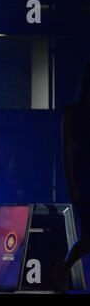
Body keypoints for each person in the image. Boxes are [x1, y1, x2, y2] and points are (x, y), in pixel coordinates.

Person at [57, 62, 90, 292]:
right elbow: (67, 149)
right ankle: (64, 267)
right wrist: (72, 183)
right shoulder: (73, 112)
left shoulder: (73, 113)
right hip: (85, 177)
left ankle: (64, 268)